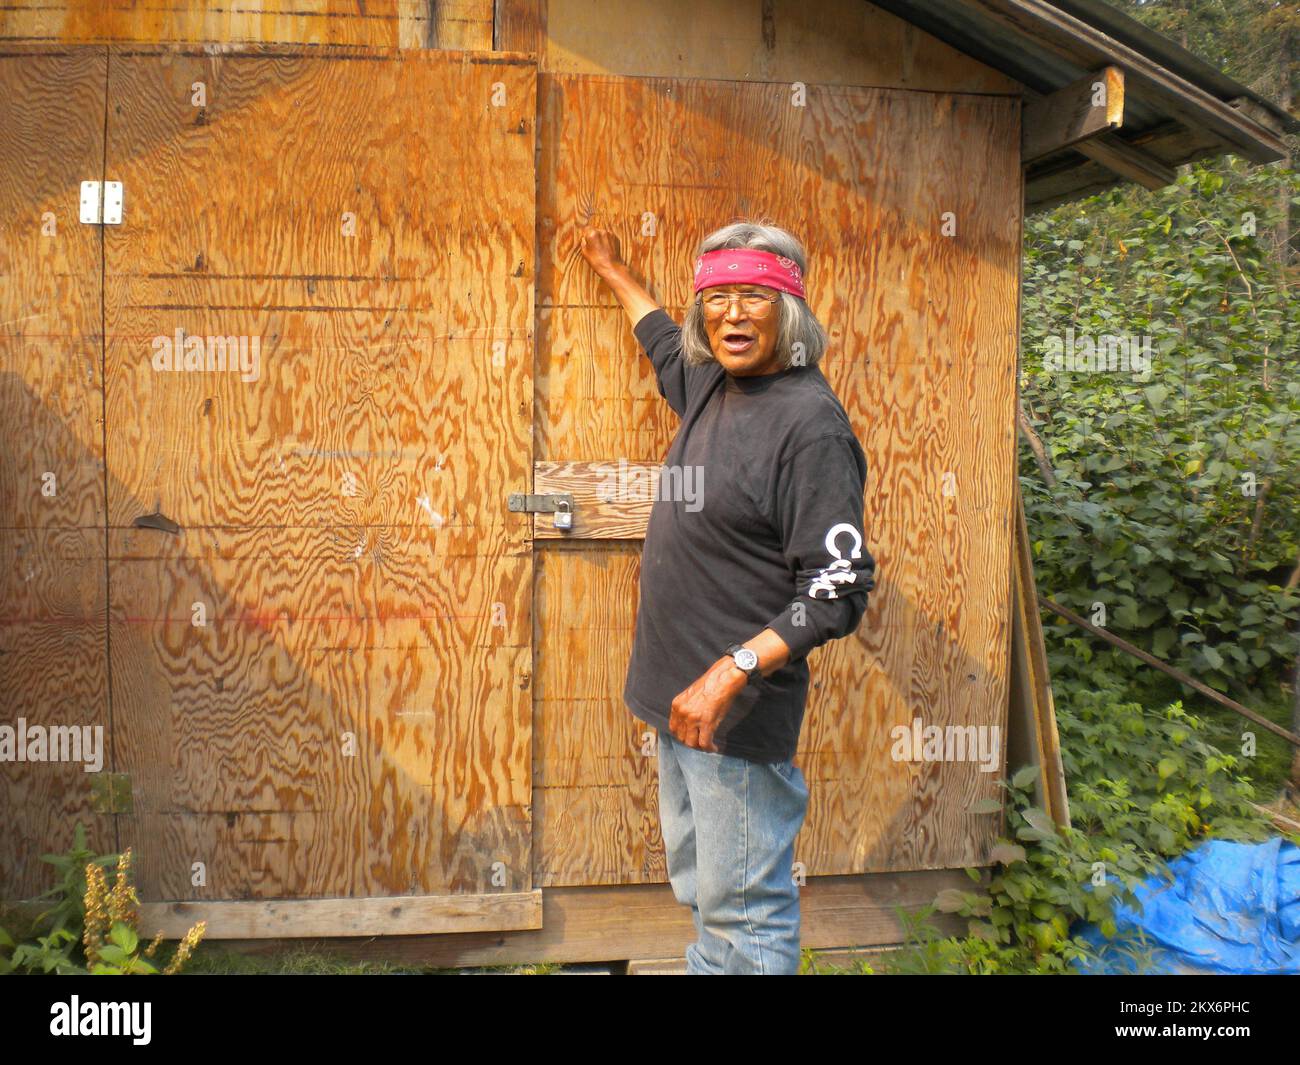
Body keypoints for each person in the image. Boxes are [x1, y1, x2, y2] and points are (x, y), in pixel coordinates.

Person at [579, 218, 877, 974]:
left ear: (792, 314)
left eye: (754, 296)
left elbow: (838, 588)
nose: (733, 313)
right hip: (675, 702)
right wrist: (610, 267)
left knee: (747, 914)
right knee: (705, 892)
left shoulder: (810, 428)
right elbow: (657, 335)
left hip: (733, 716)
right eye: (717, 296)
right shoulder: (713, 381)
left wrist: (731, 670)